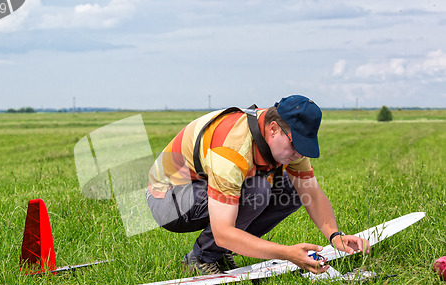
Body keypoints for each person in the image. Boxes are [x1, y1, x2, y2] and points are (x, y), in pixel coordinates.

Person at [146, 95, 370, 275]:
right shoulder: (232, 148)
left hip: (200, 186)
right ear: (273, 129)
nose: (299, 153)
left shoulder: (287, 140)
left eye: (304, 146)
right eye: (296, 145)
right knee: (258, 190)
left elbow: (312, 193)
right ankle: (200, 259)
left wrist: (335, 236)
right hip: (168, 199)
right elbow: (224, 232)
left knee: (293, 191)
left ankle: (219, 252)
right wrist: (287, 253)